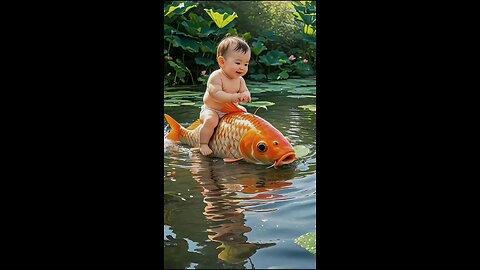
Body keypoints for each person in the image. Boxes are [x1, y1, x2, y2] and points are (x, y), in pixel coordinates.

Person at [199, 36, 252, 156]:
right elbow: (215, 94)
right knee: (211, 121)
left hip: (229, 111)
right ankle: (203, 144)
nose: (242, 67)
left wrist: (246, 96)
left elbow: (245, 91)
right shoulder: (216, 76)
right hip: (213, 110)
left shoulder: (240, 80)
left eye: (246, 64)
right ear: (222, 61)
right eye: (238, 63)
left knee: (245, 114)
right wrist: (233, 97)